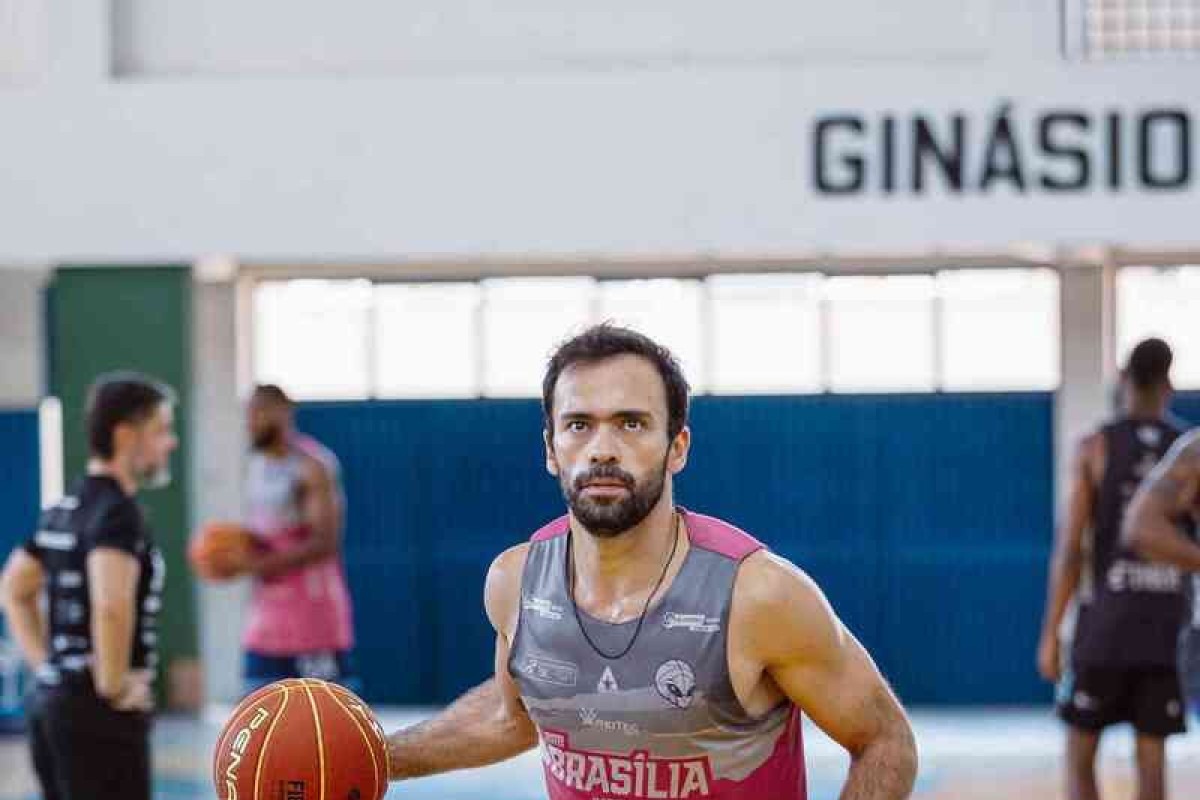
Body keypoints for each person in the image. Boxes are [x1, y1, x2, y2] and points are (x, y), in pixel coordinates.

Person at [383, 324, 917, 799]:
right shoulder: (515, 581)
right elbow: (512, 719)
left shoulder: (758, 594)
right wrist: (374, 759)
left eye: (631, 424)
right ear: (550, 450)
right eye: (578, 426)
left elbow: (884, 740)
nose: (602, 449)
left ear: (677, 446)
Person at [0, 373, 177, 800]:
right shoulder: (118, 513)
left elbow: (13, 588)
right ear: (125, 435)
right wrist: (113, 685)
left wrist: (46, 666)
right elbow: (111, 602)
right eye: (161, 430)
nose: (170, 443)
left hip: (53, 710)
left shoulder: (65, 507)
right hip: (100, 719)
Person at [1037, 338, 1188, 800]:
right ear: (1169, 383)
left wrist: (1050, 634)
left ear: (1122, 380)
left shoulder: (1095, 447)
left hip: (1106, 628)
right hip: (1164, 627)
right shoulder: (1186, 453)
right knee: (1152, 760)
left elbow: (1070, 550)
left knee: (1081, 756)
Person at [236, 384, 356, 694]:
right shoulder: (256, 466)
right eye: (248, 412)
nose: (251, 420)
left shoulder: (312, 465)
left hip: (312, 620)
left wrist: (254, 563)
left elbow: (325, 541)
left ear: (283, 412)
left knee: (327, 724)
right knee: (259, 718)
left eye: (260, 411)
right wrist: (232, 551)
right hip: (266, 621)